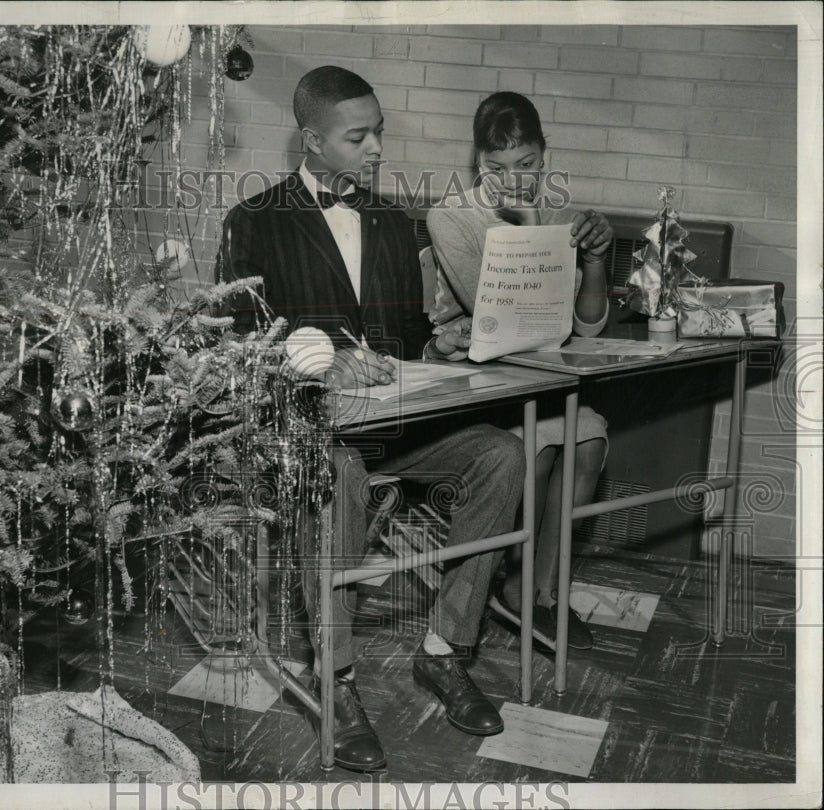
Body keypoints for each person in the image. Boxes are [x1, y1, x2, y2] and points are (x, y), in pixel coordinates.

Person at [217, 67, 526, 773]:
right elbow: (235, 341)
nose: (377, 148)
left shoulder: (390, 221)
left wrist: (437, 346)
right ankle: (339, 676)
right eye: (360, 136)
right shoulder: (253, 221)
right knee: (342, 469)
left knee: (502, 455)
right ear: (313, 140)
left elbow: (410, 333)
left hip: (392, 428)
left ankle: (445, 651)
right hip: (300, 437)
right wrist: (316, 359)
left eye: (379, 131)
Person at [425, 91, 614, 652]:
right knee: (538, 440)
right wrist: (533, 222)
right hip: (478, 383)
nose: (512, 179)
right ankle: (499, 583)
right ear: (476, 163)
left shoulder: (564, 214)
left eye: (526, 165)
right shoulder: (451, 216)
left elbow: (589, 329)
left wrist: (597, 257)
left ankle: (542, 593)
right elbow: (501, 320)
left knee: (589, 436)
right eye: (496, 168)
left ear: (543, 156)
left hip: (543, 380)